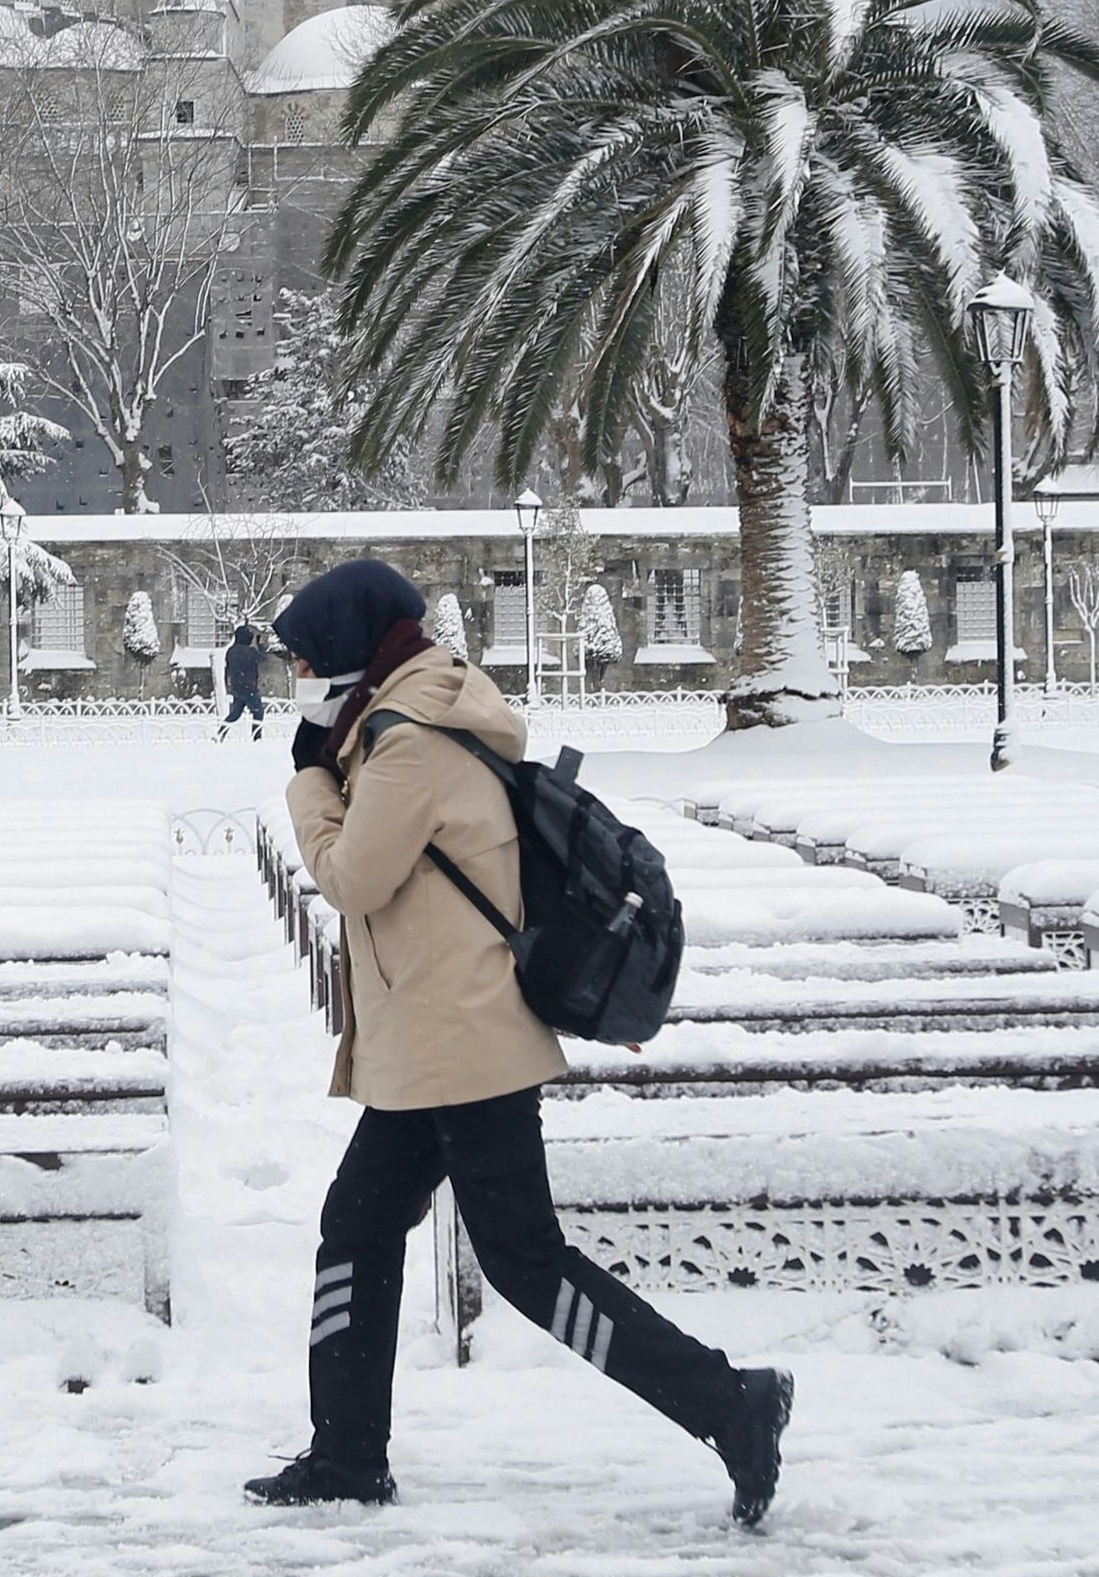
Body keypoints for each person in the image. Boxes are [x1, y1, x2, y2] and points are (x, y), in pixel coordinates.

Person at [249, 558, 792, 1527]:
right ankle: (344, 1451)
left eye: (304, 659)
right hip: (436, 1040)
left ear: (346, 653)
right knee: (360, 1224)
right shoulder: (411, 717)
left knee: (527, 1265)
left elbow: (350, 877)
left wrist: (304, 780)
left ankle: (728, 1401)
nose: (296, 676)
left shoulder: (408, 739)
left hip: (462, 1045)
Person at [215, 622, 269, 741]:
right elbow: (263, 658)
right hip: (250, 688)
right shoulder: (250, 652)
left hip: (237, 688)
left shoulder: (231, 651)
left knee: (235, 714)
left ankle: (220, 733)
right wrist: (261, 644)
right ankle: (256, 737)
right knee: (258, 712)